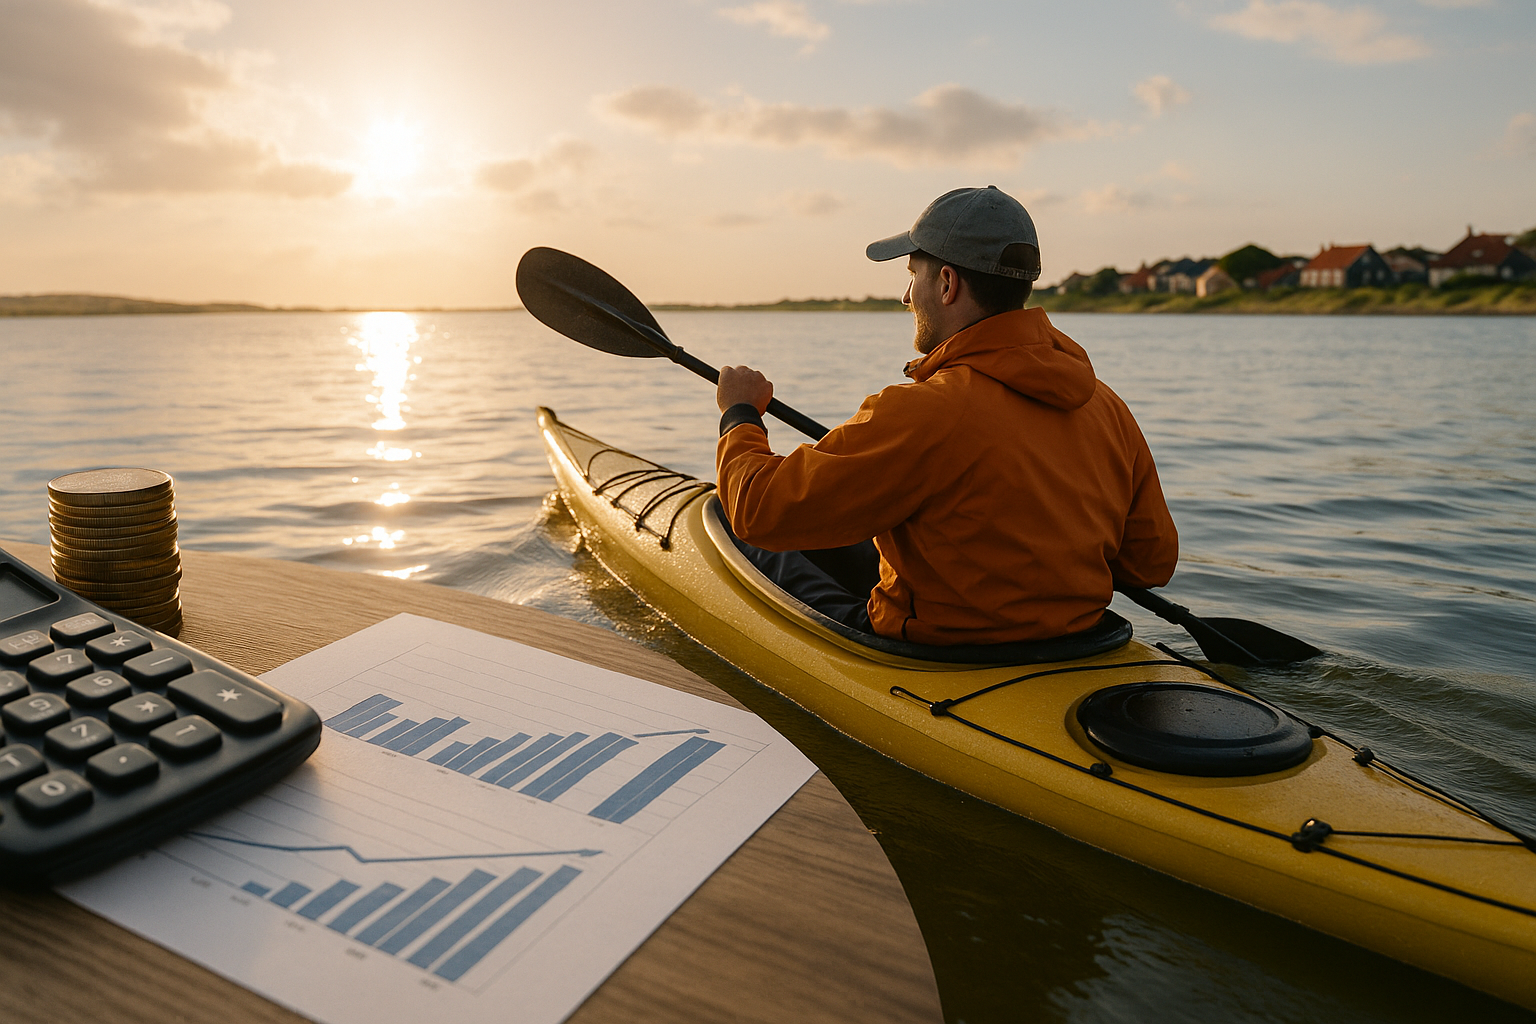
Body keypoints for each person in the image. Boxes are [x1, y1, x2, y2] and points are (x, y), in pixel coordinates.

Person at [714, 185, 1178, 646]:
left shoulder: (922, 409)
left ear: (948, 284)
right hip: (1076, 639)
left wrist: (740, 415)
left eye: (912, 275)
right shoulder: (1106, 404)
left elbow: (757, 511)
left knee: (732, 521)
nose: (905, 297)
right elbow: (1149, 565)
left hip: (941, 650)